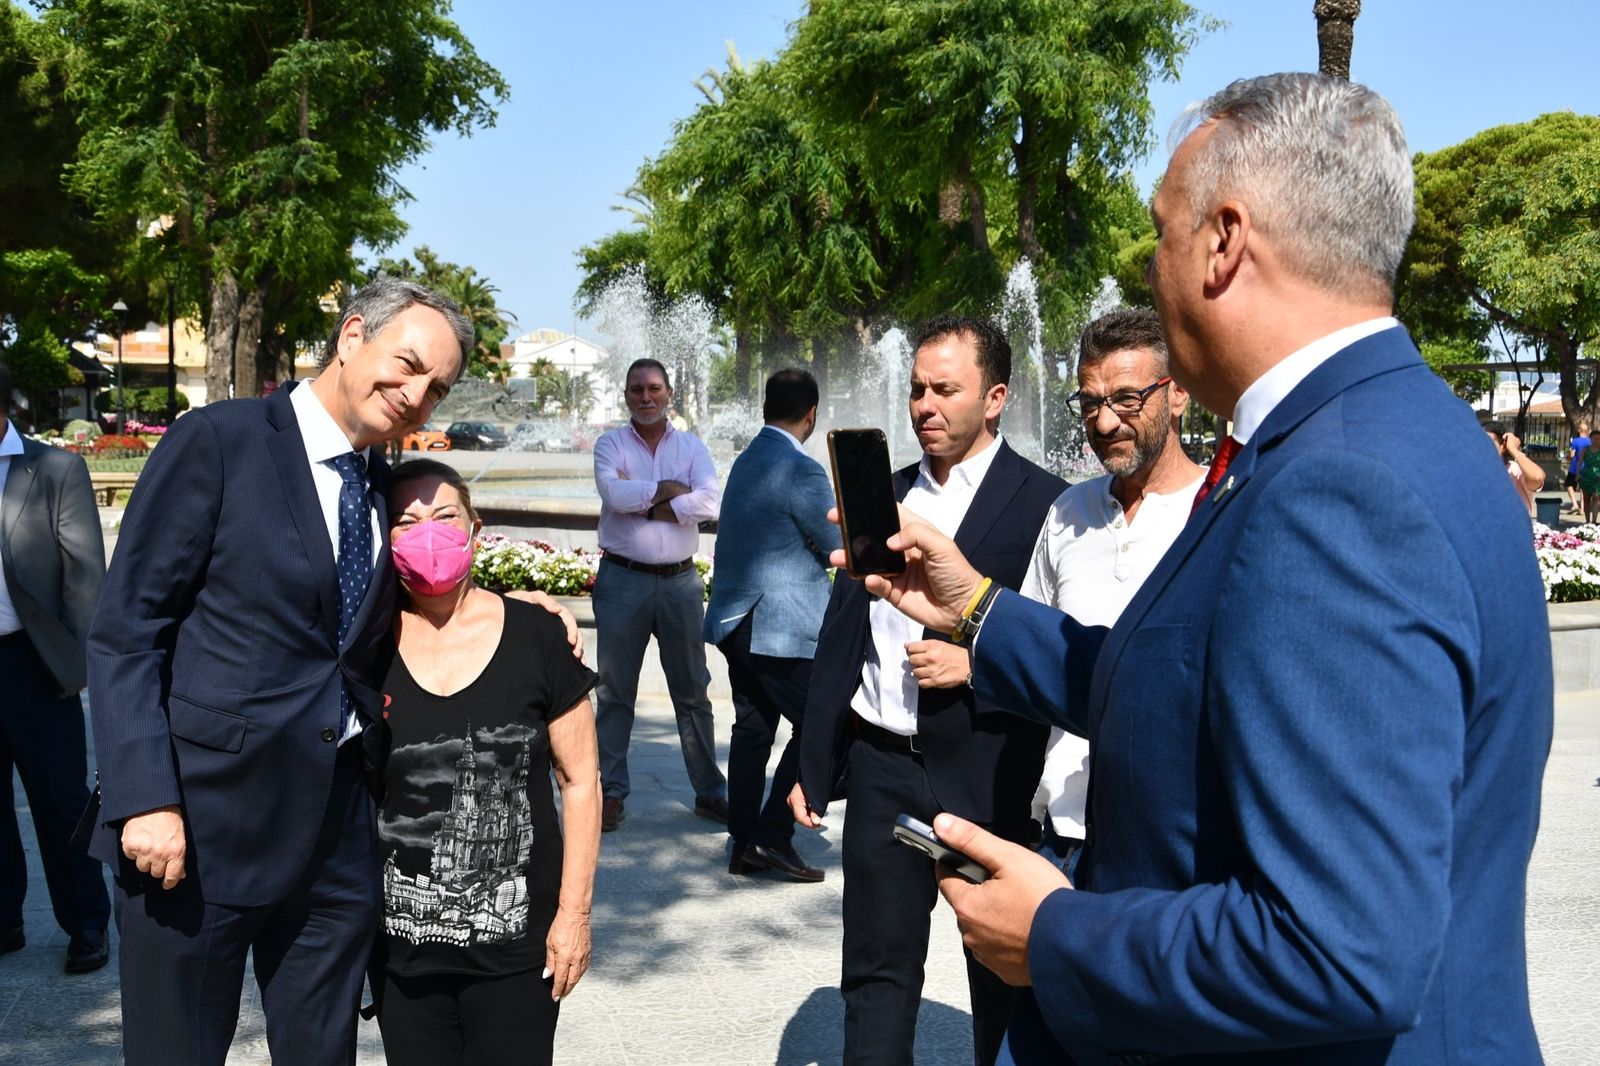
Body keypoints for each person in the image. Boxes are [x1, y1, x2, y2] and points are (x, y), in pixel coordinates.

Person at [849, 74, 1552, 1064]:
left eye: (1160, 231)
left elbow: (1337, 951)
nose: (1150, 263)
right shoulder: (1389, 430)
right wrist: (977, 609)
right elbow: (1181, 689)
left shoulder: (1334, 488)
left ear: (1223, 240)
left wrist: (1056, 934)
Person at [86, 277, 473, 1066]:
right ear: (353, 335)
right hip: (197, 832)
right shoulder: (220, 441)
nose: (416, 396)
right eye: (407, 365)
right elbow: (127, 630)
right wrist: (145, 799)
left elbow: (395, 609)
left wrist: (529, 611)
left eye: (436, 388)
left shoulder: (375, 483)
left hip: (333, 846)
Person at [788, 315, 1066, 1066]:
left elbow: (1067, 653)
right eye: (916, 389)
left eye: (946, 389)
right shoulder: (884, 497)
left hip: (991, 770)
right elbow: (841, 634)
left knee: (1004, 979)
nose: (924, 405)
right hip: (883, 770)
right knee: (876, 974)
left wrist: (977, 668)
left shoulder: (1049, 504)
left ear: (997, 396)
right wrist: (810, 760)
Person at [369, 460, 599, 1066]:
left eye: (445, 516)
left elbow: (580, 782)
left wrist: (573, 915)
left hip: (518, 954)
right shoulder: (364, 647)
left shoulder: (537, 635)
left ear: (475, 529)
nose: (428, 532)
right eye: (407, 521)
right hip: (400, 957)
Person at [1023, 309, 1203, 867]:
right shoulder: (1067, 512)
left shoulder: (1218, 514)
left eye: (1127, 399)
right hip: (1065, 834)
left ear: (1177, 396)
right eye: (1091, 402)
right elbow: (1031, 656)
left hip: (1174, 843)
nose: (1104, 423)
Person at [703, 369, 837, 883]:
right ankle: (772, 838)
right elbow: (834, 544)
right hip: (777, 629)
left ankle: (743, 842)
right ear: (812, 413)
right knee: (823, 721)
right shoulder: (800, 469)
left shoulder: (747, 459)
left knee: (754, 728)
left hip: (738, 622)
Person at [0, 359, 111, 974]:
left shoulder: (53, 469)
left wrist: (79, 667)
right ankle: (4, 919)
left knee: (61, 802)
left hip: (33, 665)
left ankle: (86, 924)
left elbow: (85, 578)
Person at [591, 358, 725, 832]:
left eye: (653, 389)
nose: (645, 398)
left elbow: (709, 502)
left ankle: (710, 792)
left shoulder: (692, 447)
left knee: (693, 693)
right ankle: (610, 792)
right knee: (613, 693)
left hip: (680, 584)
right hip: (622, 581)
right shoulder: (609, 444)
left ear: (669, 393)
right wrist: (668, 494)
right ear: (626, 396)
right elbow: (612, 494)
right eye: (636, 390)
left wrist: (643, 500)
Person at [1483, 419, 1545, 516]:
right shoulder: (1474, 472)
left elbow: (1537, 477)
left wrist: (1514, 450)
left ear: (1503, 446)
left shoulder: (1516, 470)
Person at [1564, 419, 1589, 514]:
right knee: (1583, 489)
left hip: (1574, 468)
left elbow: (1572, 454)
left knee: (1569, 484)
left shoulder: (1575, 441)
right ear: (1586, 431)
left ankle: (1575, 504)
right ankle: (1582, 509)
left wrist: (1567, 456)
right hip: (1586, 468)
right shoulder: (1590, 442)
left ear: (1579, 430)